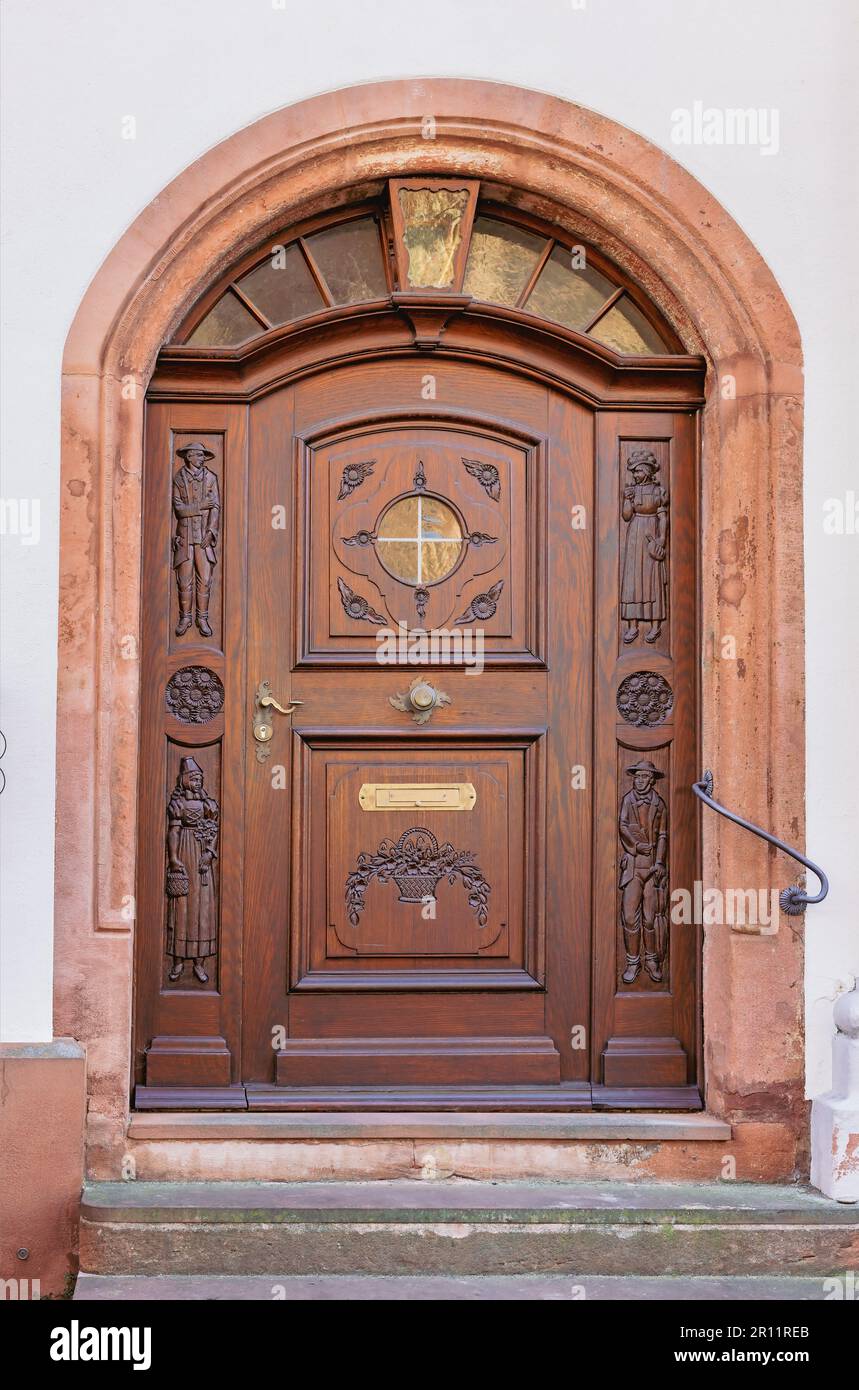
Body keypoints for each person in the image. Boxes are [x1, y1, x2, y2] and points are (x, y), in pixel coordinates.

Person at [165, 756, 219, 983]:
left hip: (202, 859)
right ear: (185, 780)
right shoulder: (178, 805)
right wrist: (175, 858)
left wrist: (209, 853)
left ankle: (199, 962)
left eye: (200, 779)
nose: (197, 782)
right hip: (186, 854)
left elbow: (213, 830)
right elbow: (174, 832)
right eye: (193, 778)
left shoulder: (209, 805)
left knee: (202, 908)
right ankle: (178, 960)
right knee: (183, 907)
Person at [618, 759, 668, 984]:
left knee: (650, 918)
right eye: (636, 777)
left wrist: (659, 862)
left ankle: (652, 960)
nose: (639, 781)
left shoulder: (659, 804)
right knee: (629, 916)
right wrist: (637, 846)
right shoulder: (627, 800)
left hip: (651, 868)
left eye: (643, 777)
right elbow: (622, 825)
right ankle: (632, 961)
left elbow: (663, 835)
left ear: (651, 780)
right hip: (633, 866)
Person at [620, 447, 668, 645]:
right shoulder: (632, 490)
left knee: (651, 580)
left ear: (647, 471)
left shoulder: (658, 492)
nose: (635, 474)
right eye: (633, 472)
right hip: (634, 536)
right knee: (633, 578)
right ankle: (633, 625)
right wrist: (627, 499)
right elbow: (626, 516)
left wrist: (662, 540)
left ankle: (656, 626)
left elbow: (663, 516)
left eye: (638, 471)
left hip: (650, 534)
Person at [172, 442, 220, 637]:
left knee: (206, 579)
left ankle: (203, 618)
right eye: (198, 456)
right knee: (184, 581)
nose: (201, 459)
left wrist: (211, 531)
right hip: (184, 538)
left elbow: (215, 507)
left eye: (202, 456)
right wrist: (201, 505)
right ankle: (185, 617)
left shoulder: (210, 478)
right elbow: (179, 510)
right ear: (189, 457)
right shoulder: (179, 479)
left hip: (203, 538)